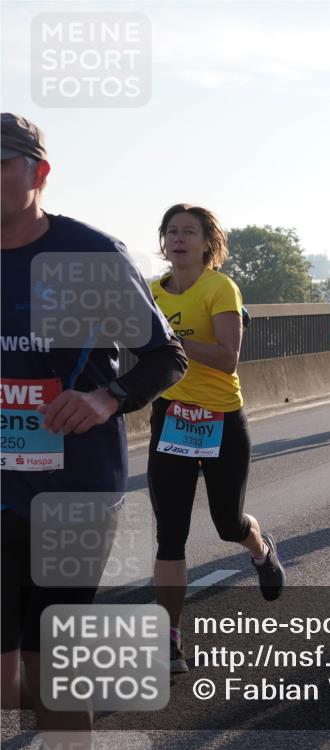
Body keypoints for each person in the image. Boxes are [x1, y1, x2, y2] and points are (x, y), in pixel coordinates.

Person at [1, 114, 188, 738]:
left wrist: (108, 398)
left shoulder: (89, 255)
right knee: (8, 686)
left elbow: (167, 358)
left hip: (73, 489)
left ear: (39, 172)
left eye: (1, 163)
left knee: (54, 669)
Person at [149, 204, 286, 673]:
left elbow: (227, 357)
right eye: (172, 231)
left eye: (190, 231)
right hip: (171, 418)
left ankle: (261, 549)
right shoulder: (150, 293)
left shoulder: (220, 287)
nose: (179, 238)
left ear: (208, 243)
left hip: (222, 418)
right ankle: (169, 638)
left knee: (228, 523)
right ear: (163, 241)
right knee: (171, 534)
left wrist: (168, 339)